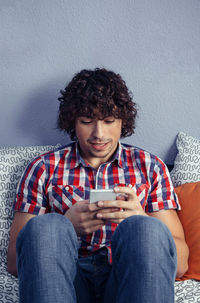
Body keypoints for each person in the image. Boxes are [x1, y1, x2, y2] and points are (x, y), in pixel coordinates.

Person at [7, 68, 189, 303]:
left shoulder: (150, 167)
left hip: (128, 281)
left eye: (109, 121)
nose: (98, 134)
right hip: (65, 283)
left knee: (147, 229)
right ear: (72, 122)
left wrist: (141, 218)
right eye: (86, 121)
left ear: (123, 121)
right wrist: (68, 226)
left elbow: (181, 264)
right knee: (47, 227)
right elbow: (14, 262)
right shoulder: (43, 168)